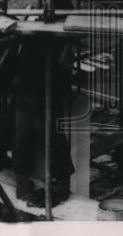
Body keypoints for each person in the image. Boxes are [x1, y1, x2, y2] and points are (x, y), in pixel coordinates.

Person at [11, 38, 75, 207]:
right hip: (37, 92)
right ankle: (59, 187)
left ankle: (25, 186)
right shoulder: (49, 40)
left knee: (30, 139)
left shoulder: (29, 37)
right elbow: (65, 67)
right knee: (49, 139)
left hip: (35, 91)